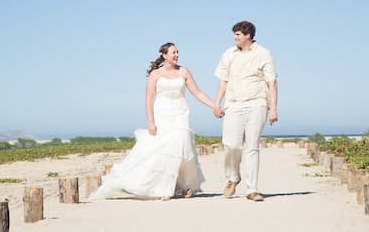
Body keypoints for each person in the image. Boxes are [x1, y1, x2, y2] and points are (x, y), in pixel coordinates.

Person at [90, 42, 215, 200]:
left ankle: (184, 186)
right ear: (164, 55)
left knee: (182, 146)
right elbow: (148, 100)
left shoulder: (184, 71)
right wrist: (151, 122)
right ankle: (164, 188)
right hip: (162, 113)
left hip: (180, 112)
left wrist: (214, 106)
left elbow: (197, 92)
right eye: (173, 52)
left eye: (177, 52)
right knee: (164, 150)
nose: (176, 55)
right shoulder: (155, 75)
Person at [213, 21, 278, 202]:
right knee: (231, 144)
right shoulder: (228, 54)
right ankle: (233, 177)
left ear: (248, 35)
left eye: (238, 34)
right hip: (233, 105)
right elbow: (223, 82)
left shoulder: (263, 53)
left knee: (252, 147)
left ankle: (252, 189)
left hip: (257, 104)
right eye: (234, 34)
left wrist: (273, 109)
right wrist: (216, 104)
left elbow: (272, 83)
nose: (235, 37)